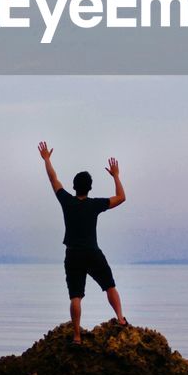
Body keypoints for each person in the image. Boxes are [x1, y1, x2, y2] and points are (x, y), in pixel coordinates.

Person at [37, 140, 127, 344]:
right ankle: (121, 320)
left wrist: (47, 160)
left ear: (74, 187)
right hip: (92, 252)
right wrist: (116, 176)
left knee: (75, 296)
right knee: (109, 285)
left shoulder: (67, 201)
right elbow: (121, 197)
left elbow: (53, 179)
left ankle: (77, 336)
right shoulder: (95, 205)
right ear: (90, 188)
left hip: (73, 254)